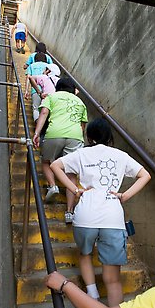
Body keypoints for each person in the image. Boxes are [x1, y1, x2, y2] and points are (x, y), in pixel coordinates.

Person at [49, 117, 151, 308]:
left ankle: (92, 295)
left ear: (90, 137)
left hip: (85, 216)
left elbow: (55, 166)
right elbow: (145, 175)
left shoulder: (82, 154)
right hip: (113, 219)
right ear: (109, 137)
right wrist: (124, 196)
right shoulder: (120, 156)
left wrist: (75, 190)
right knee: (113, 279)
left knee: (85, 254)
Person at [32, 77, 88, 213]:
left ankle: (53, 186)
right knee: (71, 172)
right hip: (75, 136)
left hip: (54, 133)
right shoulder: (80, 102)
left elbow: (44, 113)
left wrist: (37, 133)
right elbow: (83, 125)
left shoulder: (52, 96)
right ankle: (69, 211)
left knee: (46, 161)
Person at [24, 52, 48, 123]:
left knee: (36, 108)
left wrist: (26, 91)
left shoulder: (31, 66)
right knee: (46, 109)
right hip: (47, 91)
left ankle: (37, 123)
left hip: (35, 90)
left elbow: (28, 78)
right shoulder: (49, 66)